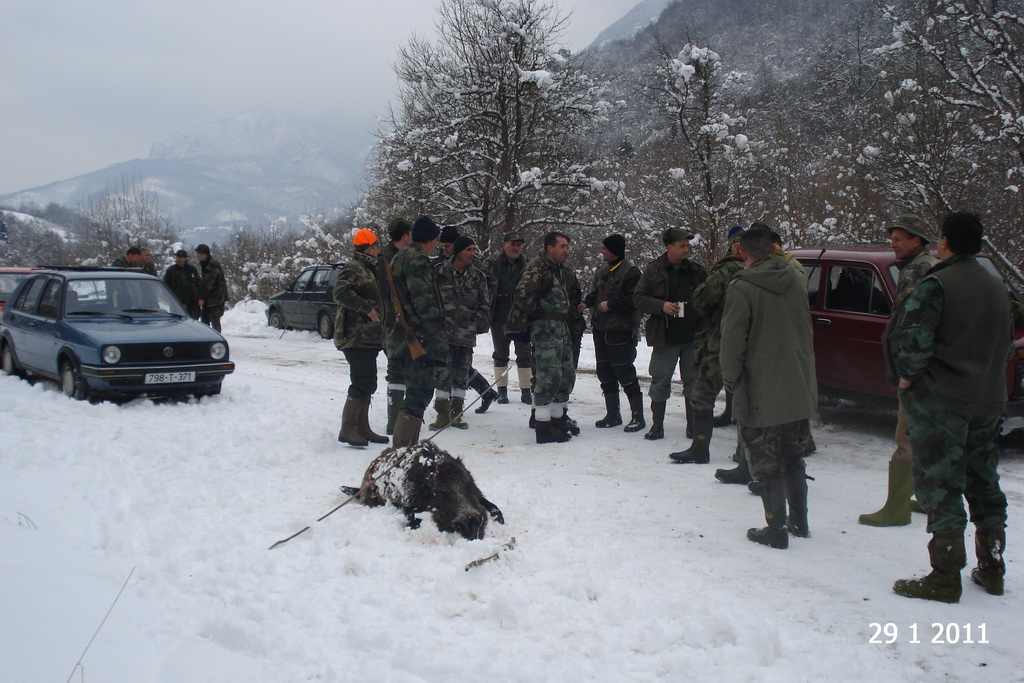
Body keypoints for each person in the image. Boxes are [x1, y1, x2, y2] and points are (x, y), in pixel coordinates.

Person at [891, 212, 1012, 603]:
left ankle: (945, 576)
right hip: (988, 398)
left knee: (941, 485)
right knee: (983, 479)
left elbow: (914, 343)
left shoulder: (937, 284)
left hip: (943, 401)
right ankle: (992, 568)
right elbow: (1008, 340)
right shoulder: (998, 286)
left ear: (944, 242)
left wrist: (906, 379)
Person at [720, 226, 817, 549]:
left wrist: (731, 380)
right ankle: (800, 522)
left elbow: (733, 343)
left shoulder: (742, 287)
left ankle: (776, 529)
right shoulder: (797, 278)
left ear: (743, 253)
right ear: (774, 250)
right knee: (793, 454)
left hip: (760, 386)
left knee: (765, 459)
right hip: (797, 383)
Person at [860, 214, 938, 527]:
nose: (893, 244)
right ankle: (928, 498)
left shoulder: (916, 271)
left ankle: (897, 508)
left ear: (918, 241)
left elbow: (910, 323)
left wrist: (905, 367)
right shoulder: (929, 267)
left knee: (906, 434)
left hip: (917, 367)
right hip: (932, 368)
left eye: (900, 239)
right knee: (926, 433)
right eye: (892, 239)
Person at [672, 227, 746, 466]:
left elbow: (702, 299)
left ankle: (700, 448)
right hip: (748, 343)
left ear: (735, 247)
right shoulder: (764, 269)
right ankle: (744, 453)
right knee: (746, 395)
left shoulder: (727, 270)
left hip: (718, 340)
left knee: (703, 393)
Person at [633, 227, 708, 443]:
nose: (687, 249)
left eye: (687, 245)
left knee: (693, 383)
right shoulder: (653, 270)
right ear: (669, 247)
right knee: (660, 381)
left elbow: (710, 295)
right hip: (665, 337)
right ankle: (657, 426)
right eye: (682, 245)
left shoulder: (696, 270)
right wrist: (661, 306)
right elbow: (638, 298)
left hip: (692, 336)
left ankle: (693, 426)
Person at [384, 216, 447, 448]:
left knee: (414, 393)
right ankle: (402, 450)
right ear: (431, 240)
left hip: (404, 335)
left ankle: (405, 447)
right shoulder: (417, 260)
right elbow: (423, 301)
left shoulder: (400, 256)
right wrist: (435, 333)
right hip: (418, 338)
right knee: (418, 394)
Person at [510, 232, 576, 444]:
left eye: (567, 246)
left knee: (565, 375)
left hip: (560, 326)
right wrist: (537, 317)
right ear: (550, 248)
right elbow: (522, 295)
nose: (567, 250)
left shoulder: (556, 269)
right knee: (548, 376)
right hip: (546, 328)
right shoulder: (538, 267)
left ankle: (557, 420)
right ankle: (543, 426)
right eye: (563, 246)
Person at [333, 228, 389, 447]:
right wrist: (367, 308)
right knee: (361, 381)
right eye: (376, 246)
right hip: (355, 337)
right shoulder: (354, 268)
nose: (378, 250)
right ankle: (347, 428)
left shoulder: (368, 268)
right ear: (369, 248)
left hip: (368, 337)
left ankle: (362, 428)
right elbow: (340, 293)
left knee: (368, 381)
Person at [429, 236, 491, 430]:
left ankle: (457, 413)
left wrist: (474, 322)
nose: (473, 254)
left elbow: (484, 306)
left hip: (465, 334)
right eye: (469, 250)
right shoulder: (439, 272)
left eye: (474, 250)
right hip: (442, 334)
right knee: (442, 373)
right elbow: (430, 300)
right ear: (458, 252)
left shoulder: (478, 277)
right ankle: (442, 414)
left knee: (461, 374)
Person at [585, 233, 644, 432]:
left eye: (604, 248)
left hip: (621, 331)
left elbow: (635, 300)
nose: (601, 251)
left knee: (625, 373)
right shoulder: (602, 271)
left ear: (614, 250)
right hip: (601, 330)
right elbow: (594, 294)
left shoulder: (631, 272)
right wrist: (585, 303)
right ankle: (613, 414)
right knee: (605, 373)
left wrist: (610, 305)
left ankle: (638, 416)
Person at [486, 232, 533, 405]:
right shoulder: (491, 264)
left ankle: (526, 391)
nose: (516, 248)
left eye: (519, 244)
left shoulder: (528, 265)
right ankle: (502, 391)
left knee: (525, 355)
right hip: (499, 316)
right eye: (513, 244)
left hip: (521, 318)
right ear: (504, 244)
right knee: (500, 354)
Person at [379, 218, 413, 435]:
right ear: (405, 236)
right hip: (392, 322)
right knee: (396, 370)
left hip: (398, 321)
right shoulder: (387, 260)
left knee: (401, 370)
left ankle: (400, 419)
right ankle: (395, 422)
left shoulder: (390, 256)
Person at [195, 244, 229, 332]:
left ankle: (216, 340)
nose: (197, 255)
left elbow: (209, 283)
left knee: (214, 321)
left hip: (215, 299)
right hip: (210, 299)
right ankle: (206, 339)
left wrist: (202, 297)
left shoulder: (212, 265)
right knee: (205, 320)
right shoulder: (206, 264)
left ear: (204, 254)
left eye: (199, 253)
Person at [163, 249, 201, 318]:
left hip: (191, 302)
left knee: (192, 321)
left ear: (185, 258)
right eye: (177, 257)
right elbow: (165, 285)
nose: (178, 259)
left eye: (180, 258)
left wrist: (199, 298)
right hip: (176, 301)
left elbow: (198, 284)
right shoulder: (171, 270)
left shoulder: (192, 270)